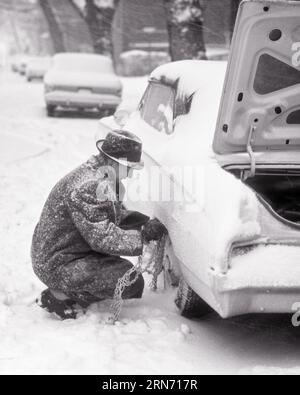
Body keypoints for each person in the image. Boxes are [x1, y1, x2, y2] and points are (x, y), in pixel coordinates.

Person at [31, 130, 167, 320]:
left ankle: (69, 289)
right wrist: (142, 236)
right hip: (57, 262)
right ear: (114, 162)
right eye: (129, 168)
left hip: (64, 253)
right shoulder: (90, 186)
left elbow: (100, 215)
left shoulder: (98, 176)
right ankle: (59, 295)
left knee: (122, 271)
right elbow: (102, 238)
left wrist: (139, 221)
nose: (129, 174)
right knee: (128, 280)